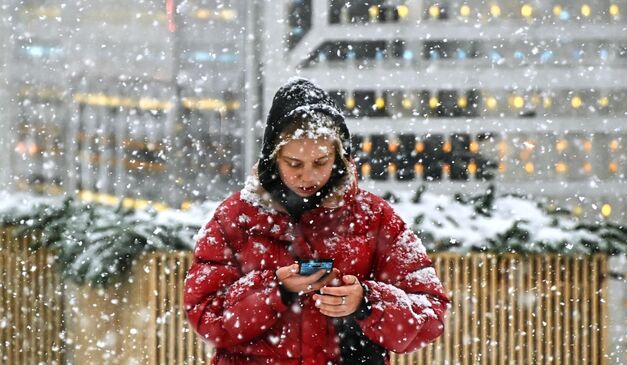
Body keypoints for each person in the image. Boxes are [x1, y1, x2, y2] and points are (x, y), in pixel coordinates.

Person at [184, 78, 450, 364]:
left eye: (321, 162)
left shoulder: (375, 217)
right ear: (272, 159)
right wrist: (275, 289)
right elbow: (205, 314)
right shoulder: (234, 218)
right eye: (294, 163)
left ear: (339, 156)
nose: (307, 176)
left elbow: (430, 312)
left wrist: (367, 302)